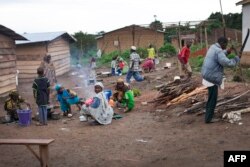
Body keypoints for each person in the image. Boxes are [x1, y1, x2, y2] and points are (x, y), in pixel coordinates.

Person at [201, 37, 240, 123]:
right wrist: (236, 59)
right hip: (212, 78)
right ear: (222, 43)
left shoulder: (213, 47)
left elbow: (219, 56)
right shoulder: (219, 51)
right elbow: (227, 63)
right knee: (212, 99)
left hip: (207, 75)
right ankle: (208, 119)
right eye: (226, 44)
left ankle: (208, 115)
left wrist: (227, 52)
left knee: (211, 97)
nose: (226, 46)